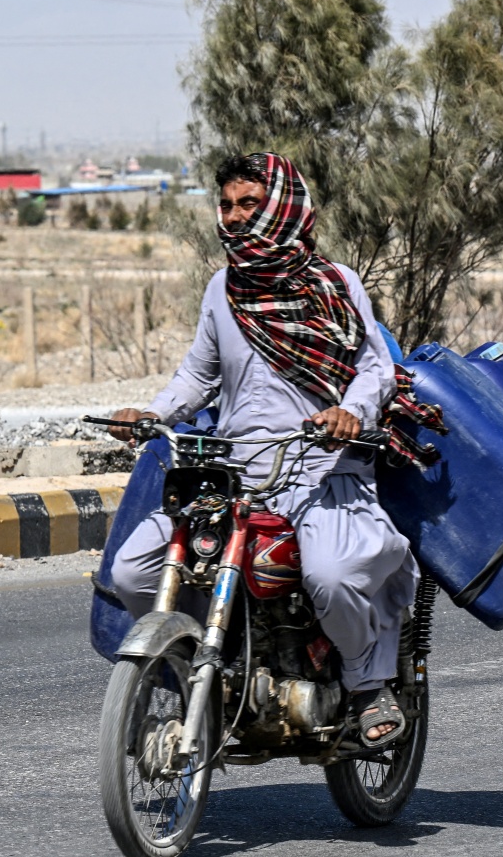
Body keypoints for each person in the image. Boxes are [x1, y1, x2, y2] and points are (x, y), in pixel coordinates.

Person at [103, 153, 433, 747]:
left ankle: (366, 683)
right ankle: (210, 670)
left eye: (247, 204)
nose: (232, 217)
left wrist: (348, 414)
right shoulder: (222, 288)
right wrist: (152, 414)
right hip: (236, 476)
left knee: (330, 576)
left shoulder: (333, 283)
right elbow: (196, 378)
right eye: (225, 205)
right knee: (132, 570)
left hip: (321, 469)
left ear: (281, 206)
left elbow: (374, 369)